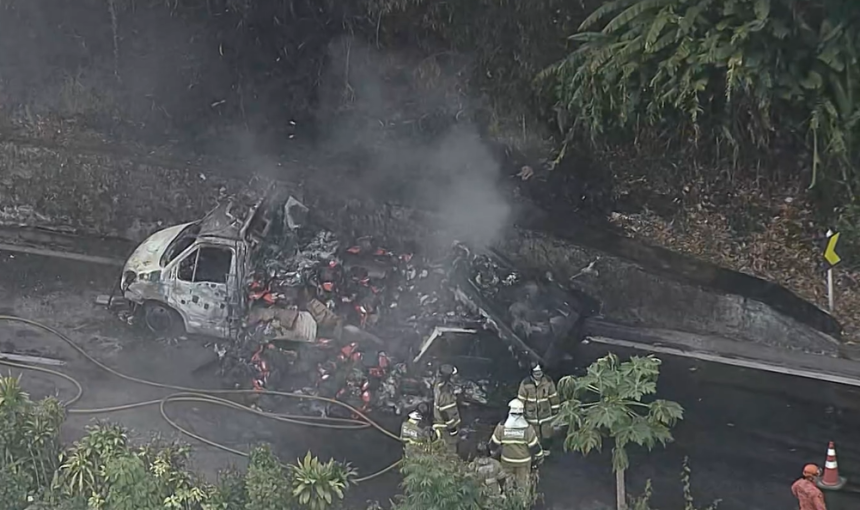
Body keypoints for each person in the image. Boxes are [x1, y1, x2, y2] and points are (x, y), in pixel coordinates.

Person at [489, 398, 543, 493]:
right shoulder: (528, 428)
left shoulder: (502, 427)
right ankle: (522, 504)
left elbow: (493, 445)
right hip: (523, 462)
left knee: (507, 484)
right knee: (522, 486)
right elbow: (535, 447)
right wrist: (538, 459)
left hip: (507, 461)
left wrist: (494, 457)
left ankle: (509, 502)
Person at [517, 363, 560, 456]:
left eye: (539, 373)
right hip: (531, 415)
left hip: (545, 414)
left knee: (547, 433)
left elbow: (553, 397)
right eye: (536, 373)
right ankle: (535, 452)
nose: (538, 375)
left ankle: (546, 450)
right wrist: (521, 413)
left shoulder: (548, 382)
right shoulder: (525, 383)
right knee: (533, 434)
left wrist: (555, 411)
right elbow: (521, 399)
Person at [432, 364, 461, 454]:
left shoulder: (438, 384)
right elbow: (445, 412)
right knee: (449, 450)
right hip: (445, 429)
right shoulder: (445, 394)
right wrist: (453, 430)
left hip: (440, 424)